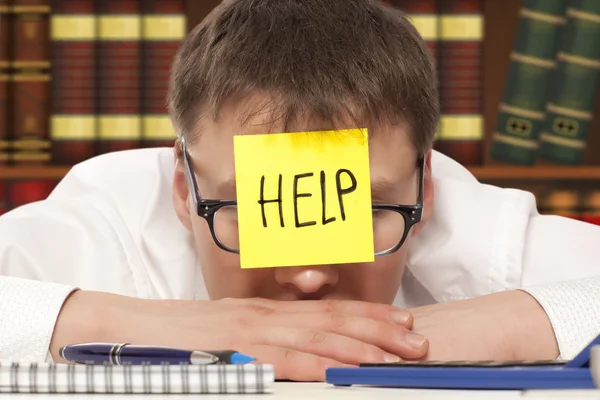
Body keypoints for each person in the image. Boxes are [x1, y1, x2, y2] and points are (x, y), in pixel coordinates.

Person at [0, 0, 599, 382]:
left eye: (365, 209)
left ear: (428, 187)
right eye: (250, 206)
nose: (308, 276)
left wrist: (514, 325)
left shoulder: (482, 236)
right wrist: (170, 327)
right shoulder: (103, 220)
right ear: (182, 188)